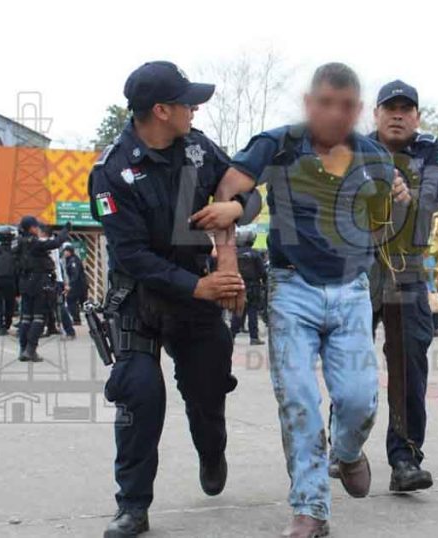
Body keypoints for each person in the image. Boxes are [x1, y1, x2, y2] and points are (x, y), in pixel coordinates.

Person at [230, 62, 399, 537]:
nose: (334, 114)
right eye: (324, 102)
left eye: (345, 106)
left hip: (350, 292)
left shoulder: (375, 158)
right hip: (291, 289)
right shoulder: (277, 145)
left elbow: (380, 220)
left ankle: (346, 453)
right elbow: (235, 185)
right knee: (300, 401)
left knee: (359, 400)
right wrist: (237, 205)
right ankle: (310, 509)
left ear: (356, 110)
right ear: (310, 103)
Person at [89, 61, 257, 538]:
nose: (195, 108)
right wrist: (198, 286)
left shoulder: (199, 150)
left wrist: (237, 207)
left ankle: (212, 450)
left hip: (196, 292)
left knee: (207, 393)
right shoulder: (112, 171)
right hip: (140, 298)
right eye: (186, 102)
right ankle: (133, 505)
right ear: (161, 110)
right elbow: (132, 255)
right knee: (140, 394)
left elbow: (248, 189)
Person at [367, 79, 438, 492]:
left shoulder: (432, 151)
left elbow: (435, 195)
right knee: (348, 363)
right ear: (376, 113)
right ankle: (343, 450)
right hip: (358, 270)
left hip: (406, 269)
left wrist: (407, 194)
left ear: (417, 117)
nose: (398, 114)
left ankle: (404, 459)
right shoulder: (354, 148)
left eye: (406, 109)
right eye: (390, 108)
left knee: (408, 368)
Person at [15, 216, 69, 361]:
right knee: (39, 317)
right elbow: (55, 243)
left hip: (25, 282)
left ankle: (23, 349)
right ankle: (30, 349)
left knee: (26, 318)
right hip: (39, 282)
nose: (38, 229)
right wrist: (65, 232)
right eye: (36, 226)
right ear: (31, 228)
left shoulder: (18, 242)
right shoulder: (34, 243)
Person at [230, 231, 265, 345]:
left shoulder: (234, 254)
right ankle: (254, 338)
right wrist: (265, 282)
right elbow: (262, 272)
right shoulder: (255, 254)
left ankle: (231, 336)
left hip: (238, 285)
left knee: (238, 311)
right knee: (252, 312)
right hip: (253, 287)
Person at [0, 226, 18, 335]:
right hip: (11, 281)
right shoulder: (15, 250)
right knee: (10, 303)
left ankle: (0, 327)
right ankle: (7, 324)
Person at [62, 243, 87, 326]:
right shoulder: (71, 259)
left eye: (66, 251)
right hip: (80, 284)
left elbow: (75, 274)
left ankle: (76, 319)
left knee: (71, 300)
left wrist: (70, 285)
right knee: (83, 303)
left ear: (70, 252)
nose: (64, 253)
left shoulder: (73, 260)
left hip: (78, 284)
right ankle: (90, 319)